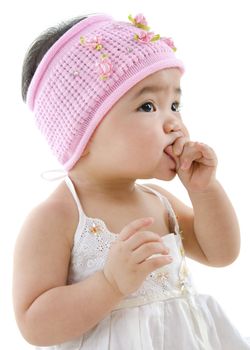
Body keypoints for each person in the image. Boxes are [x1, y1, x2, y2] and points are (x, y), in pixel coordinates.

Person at [13, 12, 250, 350]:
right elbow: (33, 323)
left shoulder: (157, 200)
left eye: (175, 104)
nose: (173, 123)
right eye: (149, 105)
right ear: (82, 132)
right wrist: (109, 285)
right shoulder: (59, 216)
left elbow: (221, 253)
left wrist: (205, 191)